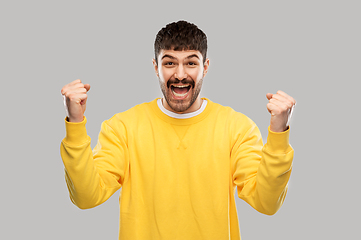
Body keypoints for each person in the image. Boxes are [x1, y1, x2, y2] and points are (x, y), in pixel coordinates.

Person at [60, 20, 296, 240]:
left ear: (205, 67)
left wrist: (278, 132)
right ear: (155, 67)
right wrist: (76, 121)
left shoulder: (236, 128)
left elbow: (267, 203)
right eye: (169, 62)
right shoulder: (123, 127)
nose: (180, 74)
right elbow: (86, 197)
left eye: (191, 63)